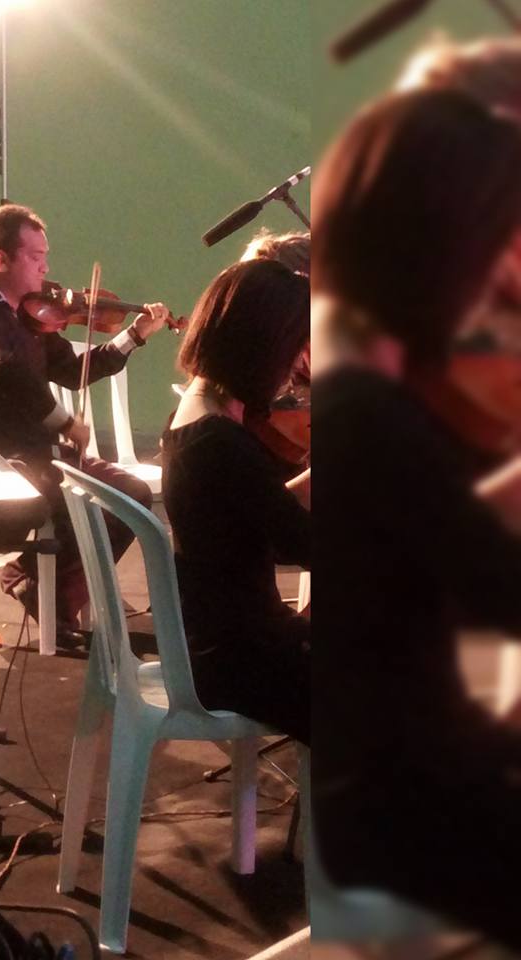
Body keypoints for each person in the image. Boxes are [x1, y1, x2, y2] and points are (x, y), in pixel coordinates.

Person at [311, 88, 521, 948]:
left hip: (425, 766)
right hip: (401, 814)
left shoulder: (381, 396)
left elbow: (453, 545)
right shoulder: (370, 411)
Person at [0, 203, 170, 647]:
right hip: (4, 462)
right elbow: (6, 372)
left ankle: (36, 583)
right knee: (98, 502)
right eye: (36, 257)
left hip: (44, 455)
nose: (46, 268)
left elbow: (74, 370)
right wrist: (64, 421)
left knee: (132, 496)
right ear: (1, 259)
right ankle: (48, 596)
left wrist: (134, 336)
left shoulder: (26, 314)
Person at [161, 258, 310, 744]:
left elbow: (249, 512)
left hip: (218, 644)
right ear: (260, 346)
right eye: (293, 348)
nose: (297, 365)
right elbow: (303, 545)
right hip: (244, 665)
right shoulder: (219, 442)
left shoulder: (191, 416)